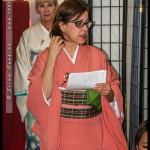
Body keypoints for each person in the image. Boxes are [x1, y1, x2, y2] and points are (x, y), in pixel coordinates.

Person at [27, 0, 128, 149]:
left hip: (94, 130)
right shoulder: (45, 57)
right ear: (62, 25)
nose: (85, 29)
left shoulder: (97, 56)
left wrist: (109, 94)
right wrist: (52, 58)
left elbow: (114, 91)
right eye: (78, 24)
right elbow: (41, 97)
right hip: (61, 133)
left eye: (86, 23)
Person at [14, 0, 62, 149]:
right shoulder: (28, 35)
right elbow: (22, 66)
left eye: (50, 5)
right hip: (34, 95)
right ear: (36, 10)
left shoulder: (63, 33)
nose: (46, 9)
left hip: (58, 94)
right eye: (42, 5)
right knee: (36, 141)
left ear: (57, 7)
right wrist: (32, 95)